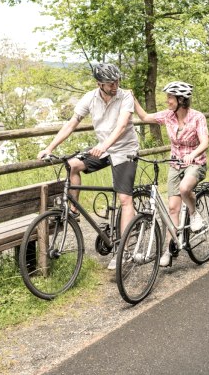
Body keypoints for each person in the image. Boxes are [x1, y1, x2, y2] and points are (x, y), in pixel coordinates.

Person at [37, 63, 139, 270]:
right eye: (111, 83)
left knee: (125, 199)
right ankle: (73, 209)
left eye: (117, 81)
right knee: (72, 165)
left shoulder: (125, 96)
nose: (115, 85)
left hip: (124, 150)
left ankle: (125, 251)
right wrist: (49, 147)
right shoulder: (90, 98)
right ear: (99, 84)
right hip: (102, 148)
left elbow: (121, 126)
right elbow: (71, 124)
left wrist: (104, 146)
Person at [133, 81, 209, 267]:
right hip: (175, 163)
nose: (167, 101)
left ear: (181, 99)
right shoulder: (168, 116)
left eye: (170, 97)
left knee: (185, 189)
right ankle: (169, 248)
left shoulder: (197, 117)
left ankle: (194, 213)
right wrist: (132, 98)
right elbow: (144, 117)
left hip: (195, 162)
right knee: (173, 209)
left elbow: (205, 142)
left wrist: (192, 154)